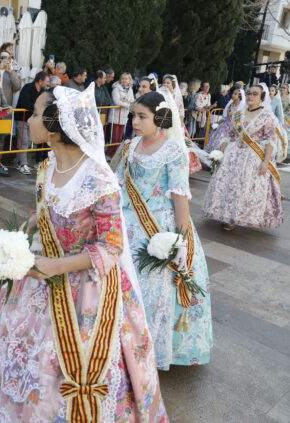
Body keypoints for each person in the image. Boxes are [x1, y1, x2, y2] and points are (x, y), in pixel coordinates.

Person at [0, 85, 169, 422]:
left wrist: (55, 266)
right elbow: (47, 210)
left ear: (55, 125)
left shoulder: (99, 179)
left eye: (34, 113)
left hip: (85, 291)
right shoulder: (48, 166)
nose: (28, 119)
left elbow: (111, 246)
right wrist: (29, 228)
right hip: (40, 275)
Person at [117, 90, 212, 370]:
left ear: (159, 117)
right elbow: (120, 185)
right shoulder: (131, 146)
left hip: (159, 229)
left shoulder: (174, 151)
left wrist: (182, 243)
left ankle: (147, 351)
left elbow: (179, 198)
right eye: (133, 115)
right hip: (127, 223)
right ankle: (122, 345)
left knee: (154, 293)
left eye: (142, 116)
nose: (135, 121)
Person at [204, 84, 283, 230]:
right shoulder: (238, 114)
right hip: (233, 154)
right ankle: (224, 214)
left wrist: (266, 162)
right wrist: (221, 153)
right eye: (249, 93)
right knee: (227, 184)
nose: (250, 96)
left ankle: (234, 218)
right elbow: (230, 135)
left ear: (262, 97)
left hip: (252, 157)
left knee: (243, 187)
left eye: (255, 94)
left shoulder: (268, 116)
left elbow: (270, 141)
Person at [14, 71, 50, 175]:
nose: (48, 84)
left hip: (31, 120)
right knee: (23, 141)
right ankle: (22, 164)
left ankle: (21, 162)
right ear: (40, 81)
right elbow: (26, 103)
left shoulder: (42, 91)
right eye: (47, 81)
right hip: (22, 118)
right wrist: (37, 109)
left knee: (28, 141)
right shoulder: (28, 88)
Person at [205, 87, 245, 152]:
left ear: (240, 96)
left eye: (235, 94)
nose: (232, 95)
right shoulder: (230, 105)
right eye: (233, 93)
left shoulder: (241, 107)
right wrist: (217, 123)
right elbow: (226, 117)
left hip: (233, 128)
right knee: (216, 141)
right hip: (224, 126)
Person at [108, 72, 135, 145]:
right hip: (115, 117)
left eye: (126, 79)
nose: (124, 80)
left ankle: (114, 155)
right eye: (122, 78)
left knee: (120, 139)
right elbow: (116, 101)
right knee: (114, 139)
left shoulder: (130, 89)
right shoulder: (116, 88)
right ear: (120, 80)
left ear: (129, 80)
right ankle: (108, 155)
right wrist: (128, 104)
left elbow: (132, 100)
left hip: (124, 117)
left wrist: (127, 102)